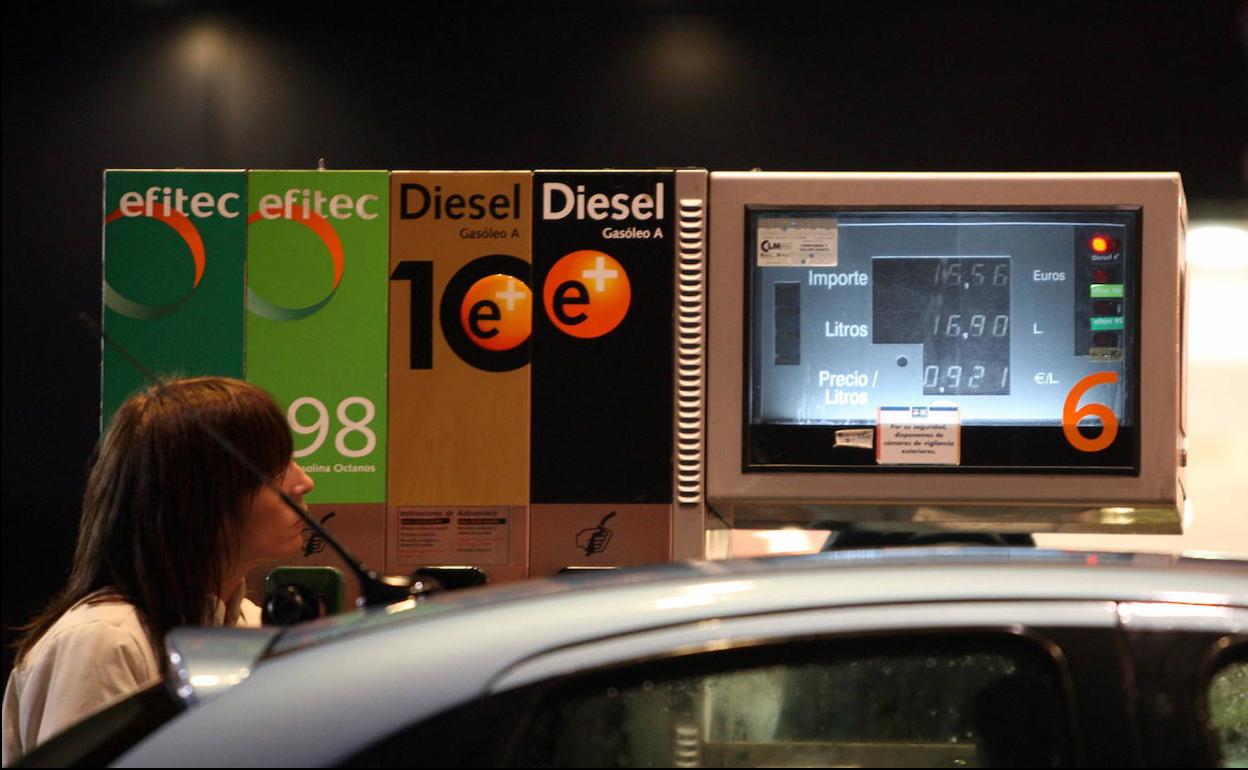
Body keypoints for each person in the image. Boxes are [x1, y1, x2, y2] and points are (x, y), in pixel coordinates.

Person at [2, 377, 314, 764]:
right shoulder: (102, 641)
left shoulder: (250, 626)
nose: (304, 482)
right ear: (203, 497)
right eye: (276, 469)